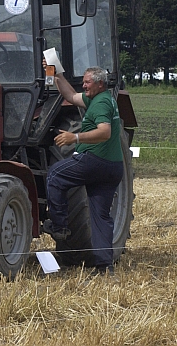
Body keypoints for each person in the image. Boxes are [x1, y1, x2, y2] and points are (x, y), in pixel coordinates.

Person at [42, 63, 124, 275]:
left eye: (87, 82)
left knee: (55, 175)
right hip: (113, 167)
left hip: (96, 160)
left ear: (99, 83)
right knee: (100, 216)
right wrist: (56, 72)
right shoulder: (99, 99)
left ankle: (59, 226)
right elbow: (70, 94)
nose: (84, 85)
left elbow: (104, 132)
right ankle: (104, 267)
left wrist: (74, 137)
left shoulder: (101, 104)